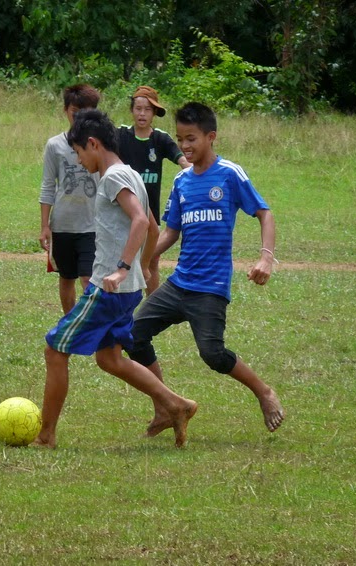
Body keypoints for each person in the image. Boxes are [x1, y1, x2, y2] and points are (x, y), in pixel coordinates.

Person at [33, 109, 198, 449]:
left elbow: (140, 221)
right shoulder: (130, 173)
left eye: (80, 153)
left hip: (109, 286)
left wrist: (124, 266)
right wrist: (146, 266)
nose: (79, 162)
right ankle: (176, 405)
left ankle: (46, 437)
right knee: (109, 358)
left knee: (54, 349)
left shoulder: (111, 178)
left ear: (93, 144)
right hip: (127, 289)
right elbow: (152, 225)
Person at [126, 102, 285, 438]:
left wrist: (265, 257)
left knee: (212, 354)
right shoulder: (182, 181)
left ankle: (263, 391)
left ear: (211, 137)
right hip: (179, 283)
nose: (185, 146)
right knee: (133, 335)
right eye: (181, 139)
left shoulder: (229, 174)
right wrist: (141, 261)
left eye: (192, 139)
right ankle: (167, 405)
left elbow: (264, 213)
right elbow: (171, 231)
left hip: (210, 288)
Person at [117, 86, 190, 294]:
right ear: (132, 110)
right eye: (138, 108)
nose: (142, 114)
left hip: (151, 212)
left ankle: (150, 307)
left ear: (154, 113)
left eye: (147, 110)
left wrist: (199, 174)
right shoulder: (120, 135)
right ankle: (123, 306)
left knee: (152, 261)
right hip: (124, 211)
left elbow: (183, 161)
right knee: (123, 258)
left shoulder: (160, 138)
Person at [39, 84, 101, 314]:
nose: (80, 118)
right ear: (66, 111)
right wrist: (45, 226)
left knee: (88, 278)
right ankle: (70, 325)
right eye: (75, 112)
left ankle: (89, 326)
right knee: (66, 278)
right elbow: (47, 185)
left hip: (93, 224)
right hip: (63, 224)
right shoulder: (55, 145)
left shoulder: (100, 144)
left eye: (86, 112)